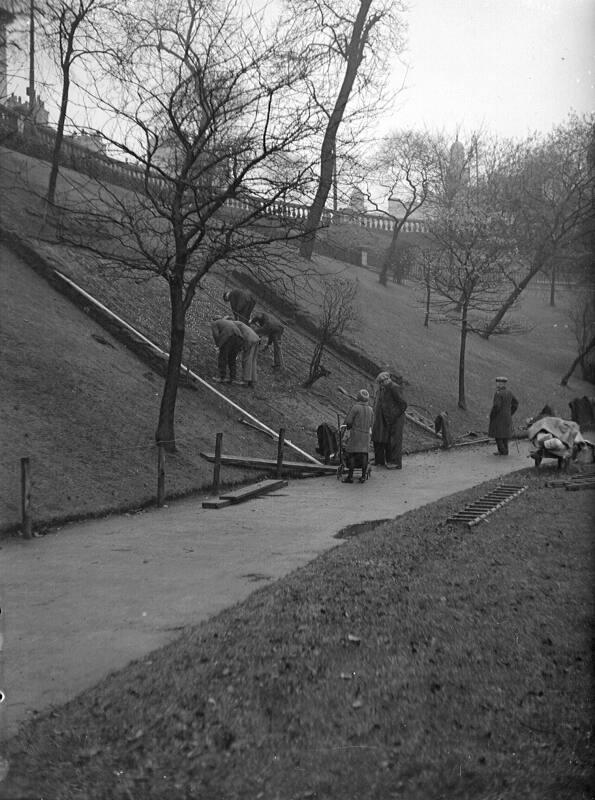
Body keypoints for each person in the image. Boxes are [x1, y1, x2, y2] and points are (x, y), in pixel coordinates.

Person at [372, 371, 407, 469]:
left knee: (395, 440)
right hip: (390, 418)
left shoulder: (394, 387)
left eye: (382, 382)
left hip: (397, 418)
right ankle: (389, 460)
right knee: (390, 440)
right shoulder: (385, 388)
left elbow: (403, 404)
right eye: (380, 382)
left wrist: (394, 415)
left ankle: (396, 463)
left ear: (386, 380)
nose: (381, 384)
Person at [341, 389, 374, 484]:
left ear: (358, 397)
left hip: (356, 434)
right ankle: (363, 477)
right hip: (366, 435)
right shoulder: (370, 409)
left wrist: (348, 428)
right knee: (364, 454)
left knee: (352, 454)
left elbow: (349, 421)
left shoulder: (355, 408)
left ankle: (350, 477)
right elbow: (372, 423)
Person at [488, 376, 519, 455]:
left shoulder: (498, 393)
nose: (497, 384)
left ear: (501, 384)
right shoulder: (509, 392)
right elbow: (516, 403)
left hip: (498, 418)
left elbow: (496, 406)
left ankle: (503, 451)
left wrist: (492, 415)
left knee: (498, 435)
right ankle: (505, 450)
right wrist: (510, 413)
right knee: (505, 435)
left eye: (498, 383)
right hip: (507, 417)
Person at [210, 317, 243, 384]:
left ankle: (221, 377)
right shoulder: (227, 322)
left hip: (229, 336)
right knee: (232, 358)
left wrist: (218, 345)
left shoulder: (214, 323)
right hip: (239, 337)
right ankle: (233, 378)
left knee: (222, 357)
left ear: (213, 320)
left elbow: (216, 334)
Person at [233, 319, 261, 387]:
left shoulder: (233, 325)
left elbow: (238, 337)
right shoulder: (239, 324)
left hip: (250, 340)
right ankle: (252, 381)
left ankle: (245, 380)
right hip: (256, 338)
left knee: (246, 360)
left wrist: (238, 349)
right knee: (253, 361)